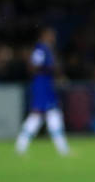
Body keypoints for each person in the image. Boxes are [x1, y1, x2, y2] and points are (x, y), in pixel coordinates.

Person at [14, 27, 70, 155]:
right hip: (41, 86)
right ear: (44, 35)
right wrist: (49, 69)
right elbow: (33, 66)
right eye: (51, 35)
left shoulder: (48, 49)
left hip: (47, 86)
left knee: (49, 114)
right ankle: (21, 145)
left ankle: (62, 148)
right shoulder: (40, 49)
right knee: (39, 114)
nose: (53, 38)